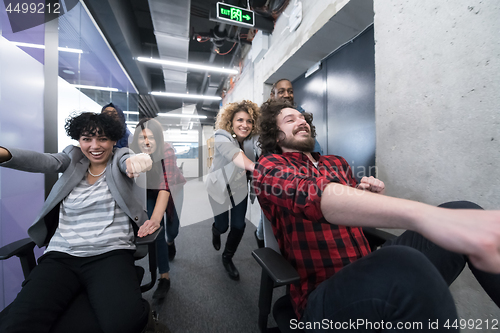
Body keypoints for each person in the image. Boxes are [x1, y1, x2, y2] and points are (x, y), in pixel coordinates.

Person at [252, 100, 500, 331]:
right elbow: (310, 194)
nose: (301, 121)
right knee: (404, 262)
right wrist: (422, 215)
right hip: (323, 293)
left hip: (368, 269)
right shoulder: (269, 167)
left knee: (462, 212)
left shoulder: (335, 162)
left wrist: (360, 192)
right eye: (290, 120)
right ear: (275, 134)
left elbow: (343, 204)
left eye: (302, 117)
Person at [0, 112, 168, 333]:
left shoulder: (119, 156)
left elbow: (130, 161)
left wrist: (138, 161)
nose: (95, 146)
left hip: (110, 252)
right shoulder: (73, 157)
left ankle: (149, 319)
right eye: (87, 138)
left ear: (114, 140)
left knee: (125, 324)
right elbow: (44, 161)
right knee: (18, 325)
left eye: (103, 139)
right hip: (62, 255)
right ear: (78, 140)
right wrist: (3, 154)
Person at [254, 79, 325, 247]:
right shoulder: (270, 163)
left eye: (290, 91)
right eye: (290, 120)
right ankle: (261, 238)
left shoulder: (334, 162)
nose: (287, 94)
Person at [130, 118, 186, 300]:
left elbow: (165, 187)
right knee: (158, 231)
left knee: (173, 229)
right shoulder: (132, 154)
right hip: (149, 191)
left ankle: (171, 242)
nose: (146, 142)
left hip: (172, 189)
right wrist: (154, 221)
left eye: (151, 137)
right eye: (142, 137)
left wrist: (156, 218)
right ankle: (164, 276)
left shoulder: (167, 151)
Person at [206, 100, 260, 280]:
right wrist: (256, 167)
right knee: (223, 226)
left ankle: (227, 257)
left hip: (239, 189)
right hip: (218, 188)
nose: (245, 125)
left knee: (239, 225)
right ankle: (216, 230)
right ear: (231, 122)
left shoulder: (252, 143)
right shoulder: (222, 136)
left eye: (249, 121)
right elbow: (235, 154)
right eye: (240, 120)